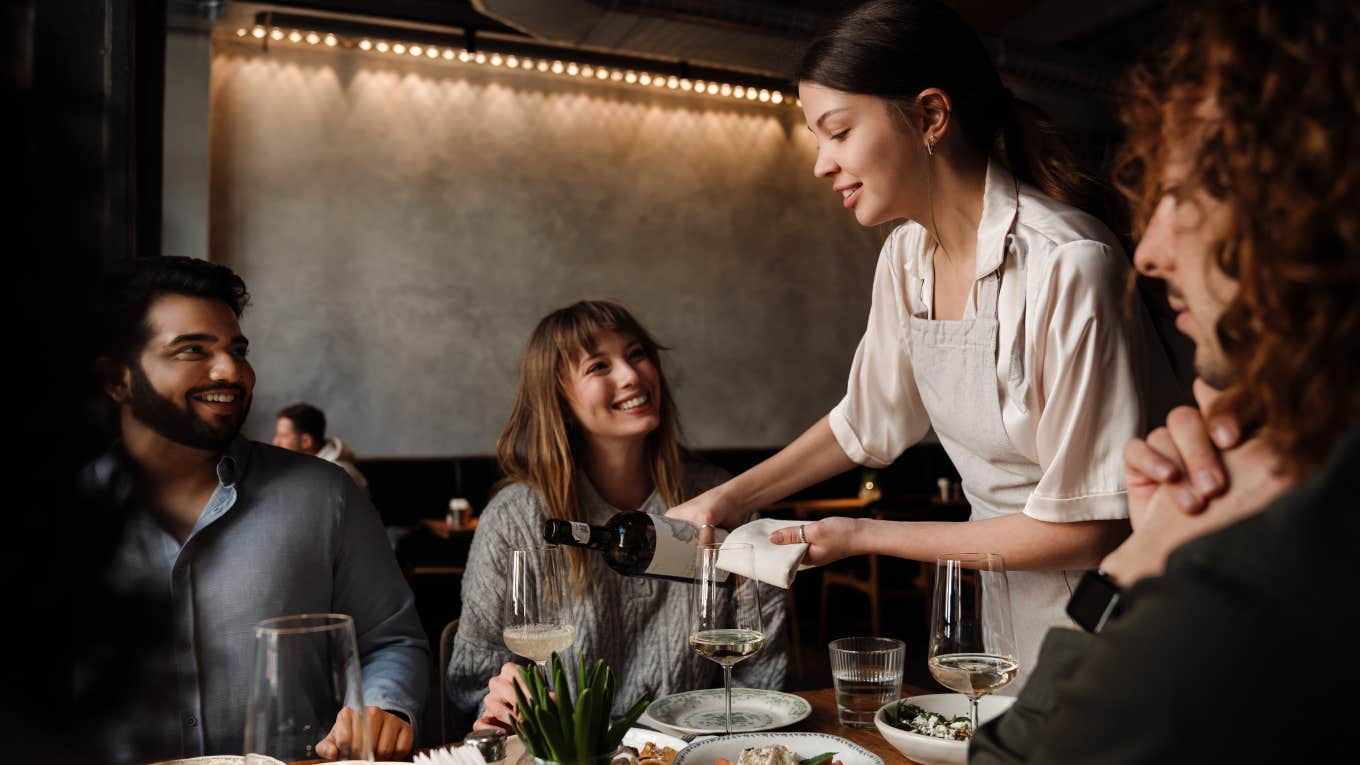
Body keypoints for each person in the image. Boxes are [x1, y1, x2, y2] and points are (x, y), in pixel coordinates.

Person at [667, 0, 1187, 688]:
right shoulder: (906, 258)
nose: (822, 164)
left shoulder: (1070, 264)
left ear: (931, 116)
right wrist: (728, 499)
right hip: (1004, 617)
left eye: (838, 132)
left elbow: (1086, 527)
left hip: (1127, 614)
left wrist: (861, 534)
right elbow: (866, 423)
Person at [969, 0, 1359, 760]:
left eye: (1188, 194)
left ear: (1309, 209)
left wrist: (1129, 571)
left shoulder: (1237, 591)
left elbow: (1008, 755)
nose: (1149, 250)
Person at [87, 256, 429, 761]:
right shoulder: (58, 516)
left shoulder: (327, 494)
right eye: (192, 351)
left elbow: (390, 641)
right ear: (119, 380)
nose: (231, 371)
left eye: (237, 349)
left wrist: (385, 708)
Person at [446, 300, 788, 731]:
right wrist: (497, 706)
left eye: (637, 354)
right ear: (558, 397)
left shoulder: (721, 501)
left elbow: (764, 675)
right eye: (598, 367)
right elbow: (472, 683)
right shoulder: (515, 519)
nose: (631, 376)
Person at [274, 401, 370, 494]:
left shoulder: (335, 475)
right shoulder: (306, 470)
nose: (275, 442)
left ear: (306, 441)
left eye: (283, 436)